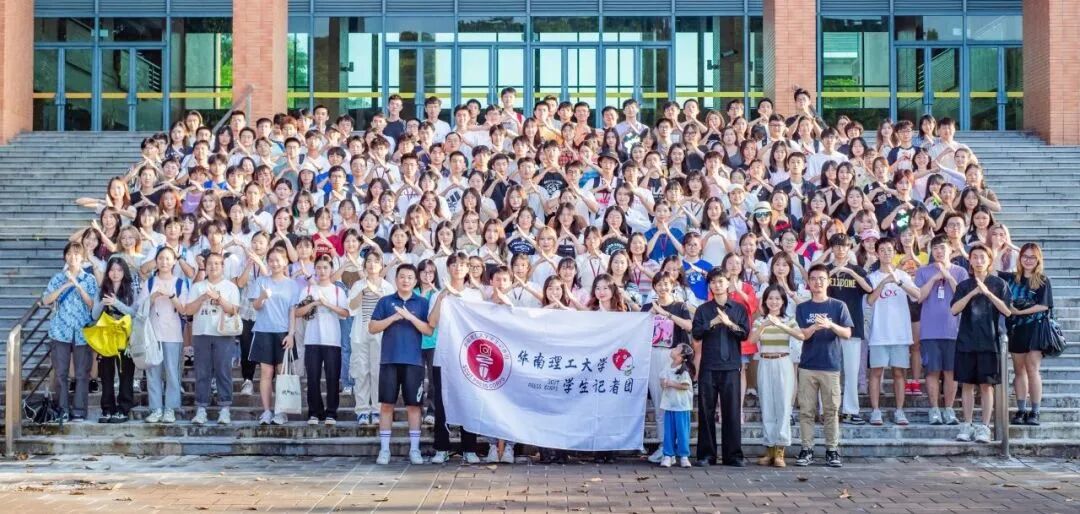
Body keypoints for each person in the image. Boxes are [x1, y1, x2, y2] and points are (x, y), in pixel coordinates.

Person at [368, 264, 433, 465]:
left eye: (410, 277)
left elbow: (429, 330)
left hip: (414, 361)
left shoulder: (422, 303)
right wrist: (394, 317)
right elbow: (372, 327)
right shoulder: (386, 301)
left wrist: (410, 317)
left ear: (415, 281)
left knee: (414, 406)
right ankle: (384, 449)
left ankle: (414, 449)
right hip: (389, 360)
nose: (406, 280)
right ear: (396, 280)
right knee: (387, 405)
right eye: (402, 277)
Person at [950, 243, 1012, 444]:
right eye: (975, 257)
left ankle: (984, 427)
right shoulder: (963, 285)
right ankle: (967, 424)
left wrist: (987, 293)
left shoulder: (999, 284)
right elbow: (954, 310)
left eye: (982, 257)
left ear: (989, 260)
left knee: (987, 386)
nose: (978, 261)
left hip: (989, 341)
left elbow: (1007, 311)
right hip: (966, 341)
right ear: (970, 260)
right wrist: (973, 292)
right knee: (967, 385)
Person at [795, 264, 854, 468]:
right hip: (807, 366)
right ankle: (807, 449)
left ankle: (832, 450)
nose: (817, 282)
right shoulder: (802, 308)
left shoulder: (838, 306)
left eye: (821, 278)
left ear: (828, 281)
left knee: (831, 410)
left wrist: (831, 325)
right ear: (808, 282)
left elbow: (847, 333)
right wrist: (814, 327)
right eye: (813, 279)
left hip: (831, 365)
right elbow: (801, 335)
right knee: (806, 410)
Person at [691, 269, 751, 467]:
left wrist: (728, 323)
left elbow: (744, 334)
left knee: (731, 412)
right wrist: (712, 323)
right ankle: (706, 455)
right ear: (709, 285)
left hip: (731, 366)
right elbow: (696, 334)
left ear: (728, 284)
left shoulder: (738, 309)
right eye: (713, 282)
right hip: (708, 366)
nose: (717, 285)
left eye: (720, 281)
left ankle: (733, 455)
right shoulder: (703, 310)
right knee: (705, 411)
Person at [865, 237, 920, 426]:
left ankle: (899, 411)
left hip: (900, 334)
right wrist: (884, 282)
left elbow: (918, 295)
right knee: (876, 373)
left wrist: (899, 282)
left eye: (889, 249)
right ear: (877, 253)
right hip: (879, 333)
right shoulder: (872, 277)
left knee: (899, 373)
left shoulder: (903, 275)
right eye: (882, 250)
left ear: (895, 252)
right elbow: (869, 301)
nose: (886, 253)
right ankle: (875, 411)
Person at [42, 242, 99, 422]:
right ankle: (63, 409)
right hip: (60, 330)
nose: (73, 257)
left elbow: (92, 304)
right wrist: (65, 286)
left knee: (82, 373)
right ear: (65, 257)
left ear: (82, 258)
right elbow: (46, 300)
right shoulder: (57, 278)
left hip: (82, 331)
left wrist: (78, 286)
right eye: (69, 254)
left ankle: (79, 410)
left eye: (76, 254)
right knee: (61, 373)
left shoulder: (89, 279)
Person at [182, 252, 242, 425]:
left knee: (223, 370)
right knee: (202, 372)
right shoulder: (197, 287)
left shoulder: (230, 287)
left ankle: (225, 409)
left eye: (217, 263)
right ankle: (201, 409)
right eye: (210, 263)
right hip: (201, 333)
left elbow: (234, 310)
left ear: (223, 266)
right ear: (205, 266)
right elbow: (188, 310)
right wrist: (203, 297)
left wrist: (219, 299)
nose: (213, 266)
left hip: (223, 334)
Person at [915, 235, 968, 426]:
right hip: (930, 331)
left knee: (951, 372)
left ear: (950, 249)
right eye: (935, 248)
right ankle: (934, 409)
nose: (939, 252)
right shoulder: (923, 271)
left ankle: (949, 409)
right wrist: (934, 278)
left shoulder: (960, 271)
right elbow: (918, 297)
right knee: (932, 371)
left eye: (942, 248)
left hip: (954, 330)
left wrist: (948, 276)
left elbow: (963, 296)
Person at [642, 272, 694, 463]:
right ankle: (664, 447)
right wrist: (651, 313)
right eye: (659, 284)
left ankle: (679, 449)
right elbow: (638, 329)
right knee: (659, 403)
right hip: (653, 354)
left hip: (674, 356)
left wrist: (667, 314)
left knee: (676, 404)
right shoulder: (648, 307)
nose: (663, 288)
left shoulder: (680, 306)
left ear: (673, 285)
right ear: (654, 287)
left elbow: (689, 326)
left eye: (666, 284)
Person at [751, 285, 804, 467]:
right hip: (765, 361)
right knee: (767, 404)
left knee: (783, 405)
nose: (774, 302)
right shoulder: (760, 321)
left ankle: (780, 449)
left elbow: (801, 336)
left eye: (777, 299)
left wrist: (781, 325)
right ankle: (769, 449)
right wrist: (764, 325)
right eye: (770, 298)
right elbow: (752, 340)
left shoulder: (789, 320)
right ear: (765, 301)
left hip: (783, 361)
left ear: (783, 302)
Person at [294, 254, 350, 425]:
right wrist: (313, 304)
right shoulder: (308, 290)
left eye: (325, 267)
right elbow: (297, 312)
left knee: (332, 377)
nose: (322, 271)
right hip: (312, 339)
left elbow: (345, 313)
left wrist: (327, 304)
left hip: (332, 340)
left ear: (331, 269)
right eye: (318, 268)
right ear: (314, 270)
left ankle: (331, 412)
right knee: (313, 378)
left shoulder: (338, 290)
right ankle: (314, 412)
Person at [1002, 243, 1053, 426]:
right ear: (1019, 257)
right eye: (1025, 256)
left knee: (1032, 369)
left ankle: (1035, 411)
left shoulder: (1042, 280)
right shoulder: (1012, 278)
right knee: (1019, 371)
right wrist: (1002, 248)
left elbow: (1044, 305)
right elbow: (991, 270)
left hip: (1035, 328)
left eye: (1032, 257)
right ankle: (1021, 410)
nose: (1028, 260)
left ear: (1038, 259)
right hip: (1016, 329)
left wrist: (1020, 312)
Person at [248, 247, 301, 425]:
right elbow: (256, 306)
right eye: (271, 260)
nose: (274, 263)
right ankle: (266, 411)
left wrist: (291, 334)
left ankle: (281, 411)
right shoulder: (261, 281)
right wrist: (262, 297)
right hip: (263, 331)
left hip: (283, 333)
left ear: (285, 262)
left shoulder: (292, 285)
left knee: (282, 372)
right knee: (266, 372)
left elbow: (292, 312)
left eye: (278, 260)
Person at [824, 233, 872, 425]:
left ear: (849, 248)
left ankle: (851, 411)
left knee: (851, 372)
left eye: (844, 246)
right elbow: (816, 288)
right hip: (829, 328)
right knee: (829, 372)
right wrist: (833, 272)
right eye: (836, 246)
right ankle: (828, 411)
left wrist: (851, 272)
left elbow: (869, 289)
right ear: (832, 248)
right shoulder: (826, 270)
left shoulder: (857, 269)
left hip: (853, 327)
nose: (840, 249)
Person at [348, 252, 395, 426]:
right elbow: (351, 308)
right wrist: (362, 293)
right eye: (368, 261)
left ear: (381, 265)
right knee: (361, 371)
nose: (372, 264)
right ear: (364, 265)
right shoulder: (358, 285)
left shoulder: (387, 287)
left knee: (377, 372)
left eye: (376, 261)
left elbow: (392, 310)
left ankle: (377, 409)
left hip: (380, 332)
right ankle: (362, 410)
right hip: (360, 331)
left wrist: (378, 293)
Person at [141, 247, 187, 424]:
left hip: (173, 334)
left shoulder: (180, 283)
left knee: (172, 373)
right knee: (153, 373)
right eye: (160, 258)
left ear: (174, 261)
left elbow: (184, 309)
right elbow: (140, 308)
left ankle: (170, 408)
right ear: (156, 261)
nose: (164, 262)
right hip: (152, 335)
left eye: (168, 258)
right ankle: (156, 409)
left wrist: (172, 296)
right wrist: (152, 298)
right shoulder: (150, 283)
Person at [90, 257, 138, 424]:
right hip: (106, 335)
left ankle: (123, 408)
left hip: (125, 335)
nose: (115, 273)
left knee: (126, 373)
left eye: (119, 270)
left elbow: (133, 312)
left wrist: (116, 303)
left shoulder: (131, 289)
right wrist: (103, 302)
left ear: (124, 271)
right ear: (107, 272)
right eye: (112, 270)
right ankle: (107, 408)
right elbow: (94, 315)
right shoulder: (101, 289)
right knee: (106, 373)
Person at [659, 343, 696, 469]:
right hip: (670, 405)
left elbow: (685, 386)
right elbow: (662, 379)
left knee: (682, 432)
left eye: (676, 349)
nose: (673, 349)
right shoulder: (667, 366)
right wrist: (663, 383)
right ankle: (668, 455)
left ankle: (684, 456)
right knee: (669, 432)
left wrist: (671, 383)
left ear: (681, 356)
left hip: (681, 406)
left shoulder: (684, 370)